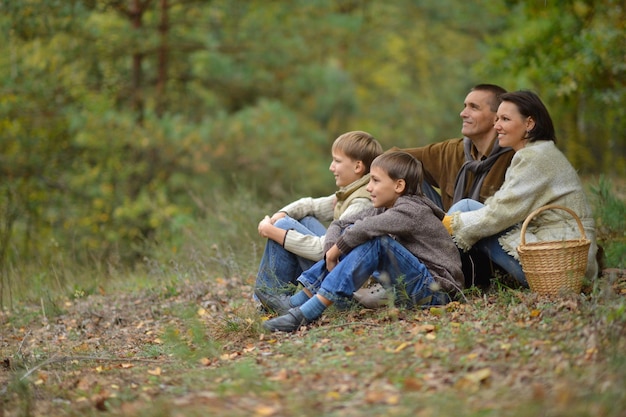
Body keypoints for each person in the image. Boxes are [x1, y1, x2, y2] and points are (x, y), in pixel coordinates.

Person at [261, 151, 464, 333]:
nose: (368, 187)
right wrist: (332, 248)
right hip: (407, 286)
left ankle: (305, 312)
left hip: (436, 291)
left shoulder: (412, 209)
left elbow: (364, 229)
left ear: (399, 185)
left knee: (377, 241)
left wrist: (335, 251)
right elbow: (340, 224)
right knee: (356, 234)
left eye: (375, 181)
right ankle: (296, 303)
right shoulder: (385, 207)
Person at [355, 84, 515, 306]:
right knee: (405, 182)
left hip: (482, 253)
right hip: (443, 246)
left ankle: (412, 282)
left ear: (497, 117)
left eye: (473, 107)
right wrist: (364, 180)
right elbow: (394, 157)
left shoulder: (514, 157)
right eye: (464, 106)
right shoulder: (453, 151)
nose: (463, 112)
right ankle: (401, 277)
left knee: (465, 206)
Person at [442, 90, 598, 286]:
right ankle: (439, 274)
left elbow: (501, 213)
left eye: (505, 119)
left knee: (465, 208)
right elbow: (503, 207)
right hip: (570, 262)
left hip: (560, 267)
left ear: (529, 124)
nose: (496, 125)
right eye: (497, 118)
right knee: (467, 212)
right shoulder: (541, 151)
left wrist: (447, 224)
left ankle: (433, 279)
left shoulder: (534, 158)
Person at [254, 131, 383, 306]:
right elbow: (311, 205)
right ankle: (272, 300)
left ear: (358, 167)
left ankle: (270, 300)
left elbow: (326, 249)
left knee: (284, 226)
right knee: (302, 219)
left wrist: (273, 231)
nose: (331, 167)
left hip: (347, 286)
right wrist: (281, 214)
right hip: (340, 270)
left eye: (337, 161)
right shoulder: (354, 190)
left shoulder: (361, 202)